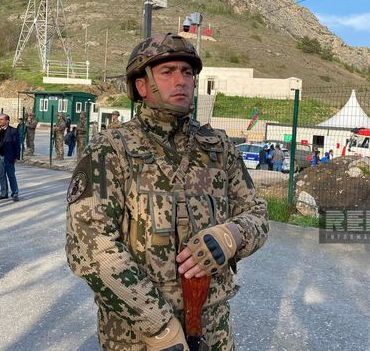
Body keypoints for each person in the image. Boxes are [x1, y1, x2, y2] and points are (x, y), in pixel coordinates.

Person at [65, 33, 269, 350]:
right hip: (138, 336)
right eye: (167, 71)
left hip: (213, 329)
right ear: (141, 86)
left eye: (187, 72)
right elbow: (88, 246)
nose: (181, 80)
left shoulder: (218, 147)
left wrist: (232, 235)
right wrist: (159, 327)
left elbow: (257, 214)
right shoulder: (111, 149)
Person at [0, 114, 21, 202]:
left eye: (1, 119)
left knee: (11, 175)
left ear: (7, 121)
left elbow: (17, 144)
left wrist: (16, 156)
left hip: (8, 155)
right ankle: (3, 193)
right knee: (1, 175)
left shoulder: (13, 131)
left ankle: (15, 193)